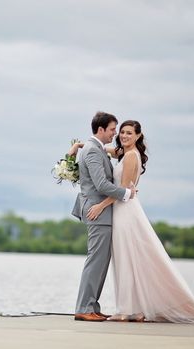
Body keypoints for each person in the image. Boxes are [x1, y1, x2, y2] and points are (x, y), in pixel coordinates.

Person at [72, 119, 194, 324]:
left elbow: (125, 191)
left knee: (127, 258)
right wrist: (80, 145)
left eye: (129, 133)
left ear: (138, 135)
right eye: (121, 132)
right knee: (126, 259)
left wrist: (101, 205)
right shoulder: (123, 153)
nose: (123, 136)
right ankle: (130, 308)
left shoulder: (129, 157)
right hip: (121, 211)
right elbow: (105, 150)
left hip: (123, 211)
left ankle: (129, 308)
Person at [71, 112, 136, 322]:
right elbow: (101, 185)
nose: (114, 133)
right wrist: (126, 193)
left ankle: (92, 306)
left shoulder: (95, 148)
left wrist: (75, 147)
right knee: (95, 261)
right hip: (97, 211)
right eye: (112, 129)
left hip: (103, 212)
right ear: (101, 130)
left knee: (101, 262)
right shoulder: (93, 150)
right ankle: (84, 307)